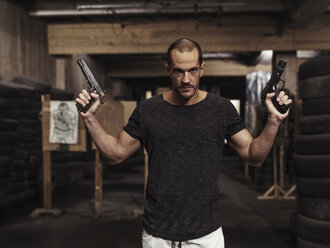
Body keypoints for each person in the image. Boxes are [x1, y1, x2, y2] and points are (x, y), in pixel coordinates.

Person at [76, 38, 292, 248]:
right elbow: (115, 154)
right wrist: (89, 118)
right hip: (157, 233)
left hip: (205, 234)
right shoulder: (148, 110)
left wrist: (273, 121)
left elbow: (253, 157)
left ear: (202, 69)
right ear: (168, 69)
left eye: (193, 70)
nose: (186, 79)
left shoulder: (221, 109)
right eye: (179, 71)